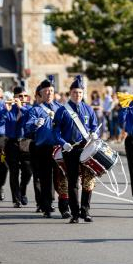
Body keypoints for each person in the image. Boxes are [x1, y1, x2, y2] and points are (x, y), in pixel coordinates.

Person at [53, 75, 99, 223]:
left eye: (80, 93)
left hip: (86, 148)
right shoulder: (62, 111)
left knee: (88, 180)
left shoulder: (88, 109)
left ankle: (85, 211)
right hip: (70, 149)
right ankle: (74, 213)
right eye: (75, 93)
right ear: (70, 93)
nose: (77, 95)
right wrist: (62, 143)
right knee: (73, 181)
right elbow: (55, 132)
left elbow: (94, 125)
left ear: (83, 93)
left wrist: (94, 133)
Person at [24, 76, 63, 218]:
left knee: (60, 178)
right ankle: (46, 206)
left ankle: (63, 205)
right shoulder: (35, 110)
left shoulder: (60, 108)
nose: (49, 93)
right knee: (45, 177)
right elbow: (27, 128)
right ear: (41, 93)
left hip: (58, 148)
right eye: (46, 91)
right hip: (43, 148)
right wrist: (35, 124)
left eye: (51, 90)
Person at [0, 86, 32, 207]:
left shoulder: (28, 109)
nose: (22, 98)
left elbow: (30, 118)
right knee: (14, 172)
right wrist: (4, 111)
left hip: (25, 143)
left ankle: (22, 190)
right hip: (11, 143)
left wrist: (21, 107)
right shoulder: (8, 109)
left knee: (28, 171)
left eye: (24, 96)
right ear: (14, 97)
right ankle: (16, 199)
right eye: (20, 96)